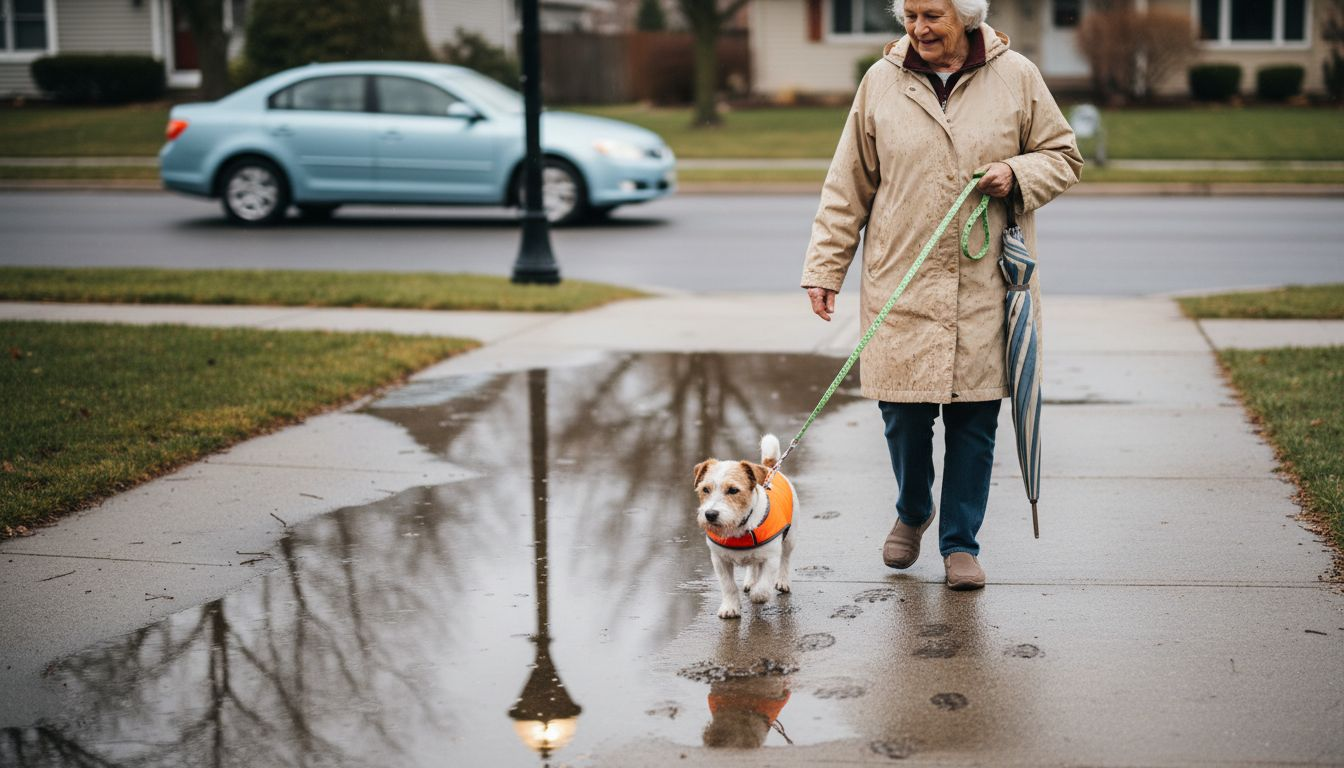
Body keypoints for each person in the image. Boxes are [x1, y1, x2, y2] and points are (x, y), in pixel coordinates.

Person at [800, 0, 1081, 590]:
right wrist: (826, 269)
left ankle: (960, 543)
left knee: (974, 421)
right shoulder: (881, 81)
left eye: (932, 16)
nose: (918, 29)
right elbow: (848, 183)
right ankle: (912, 508)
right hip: (900, 280)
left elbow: (1063, 156)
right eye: (909, 16)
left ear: (968, 17)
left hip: (984, 286)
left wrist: (1017, 173)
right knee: (902, 415)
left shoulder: (1017, 77)